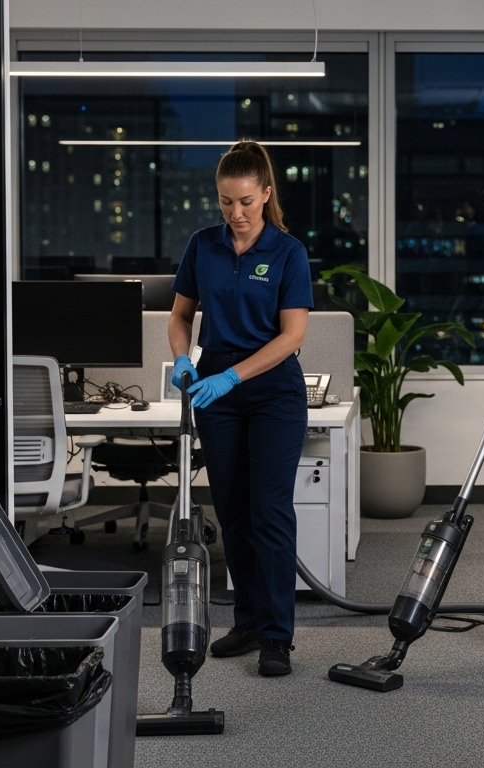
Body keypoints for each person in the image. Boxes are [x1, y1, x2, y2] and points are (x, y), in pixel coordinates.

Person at [167, 140, 313, 677]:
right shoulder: (202, 245)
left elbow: (292, 336)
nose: (236, 213)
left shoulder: (287, 252)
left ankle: (278, 635)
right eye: (226, 202)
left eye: (246, 201)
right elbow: (181, 315)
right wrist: (183, 359)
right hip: (216, 394)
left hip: (272, 388)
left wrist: (232, 375)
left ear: (266, 193)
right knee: (231, 509)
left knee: (269, 510)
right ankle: (249, 621)